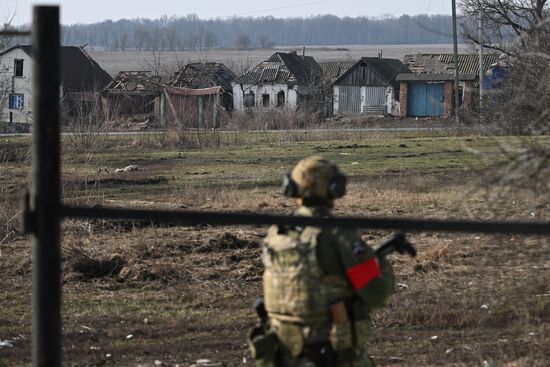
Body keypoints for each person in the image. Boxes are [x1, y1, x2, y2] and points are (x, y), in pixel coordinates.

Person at [249, 156, 397, 367]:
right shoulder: (337, 234)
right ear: (335, 190)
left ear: (291, 188)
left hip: (281, 355)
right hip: (330, 357)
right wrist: (380, 262)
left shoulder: (277, 233)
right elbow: (377, 292)